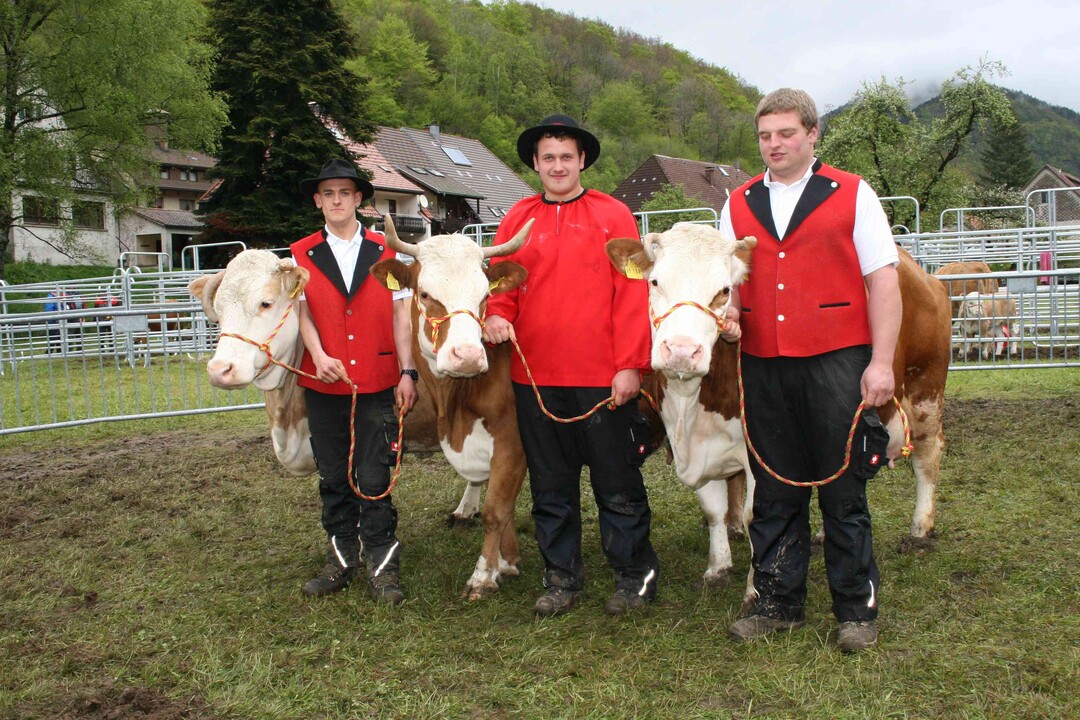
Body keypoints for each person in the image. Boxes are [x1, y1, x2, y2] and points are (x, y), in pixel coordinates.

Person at [718, 89, 901, 652]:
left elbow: (884, 283)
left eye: (786, 134)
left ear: (812, 134)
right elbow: (729, 282)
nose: (775, 145)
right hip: (764, 363)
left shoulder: (852, 193)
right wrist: (726, 311)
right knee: (773, 487)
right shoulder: (737, 202)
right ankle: (777, 602)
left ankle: (855, 610)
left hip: (837, 359)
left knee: (842, 488)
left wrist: (881, 363)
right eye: (766, 136)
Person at [482, 115, 659, 617]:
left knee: (616, 482)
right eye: (547, 158)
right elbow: (503, 285)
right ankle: (561, 576)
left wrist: (630, 366)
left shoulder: (615, 215)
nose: (557, 166)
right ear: (535, 164)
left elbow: (631, 293)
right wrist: (496, 317)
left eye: (566, 156)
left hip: (602, 378)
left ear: (582, 160)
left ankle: (633, 575)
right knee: (550, 484)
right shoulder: (517, 218)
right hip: (534, 377)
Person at [291, 158, 419, 603]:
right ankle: (341, 561)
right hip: (323, 381)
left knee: (372, 474)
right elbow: (302, 314)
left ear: (358, 198)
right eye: (329, 194)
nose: (337, 200)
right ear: (318, 201)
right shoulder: (300, 253)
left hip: (378, 377)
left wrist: (408, 371)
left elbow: (402, 314)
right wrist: (319, 354)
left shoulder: (389, 251)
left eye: (345, 192)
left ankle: (383, 567)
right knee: (332, 475)